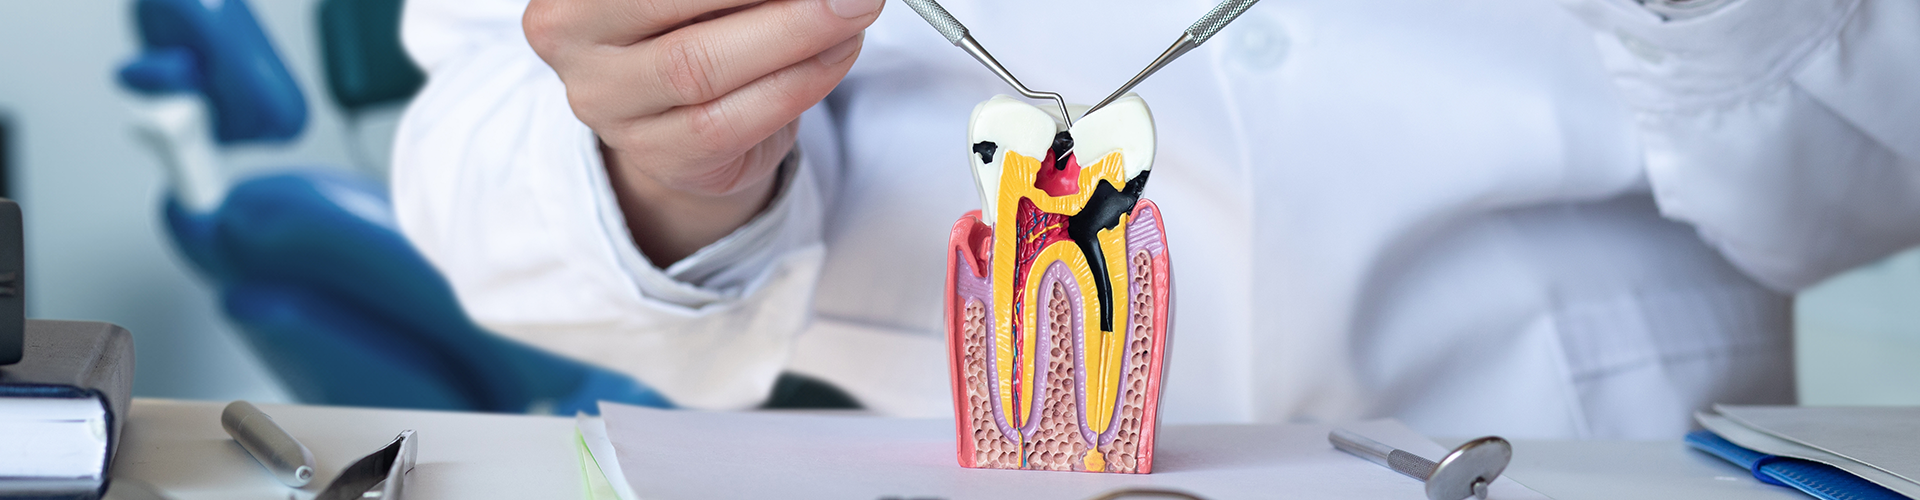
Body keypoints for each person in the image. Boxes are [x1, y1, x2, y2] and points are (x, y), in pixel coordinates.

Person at [391, 0, 1920, 439]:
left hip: (1587, 443)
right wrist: (666, 157)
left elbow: (1881, 167)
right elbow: (478, 115)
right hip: (951, 445)